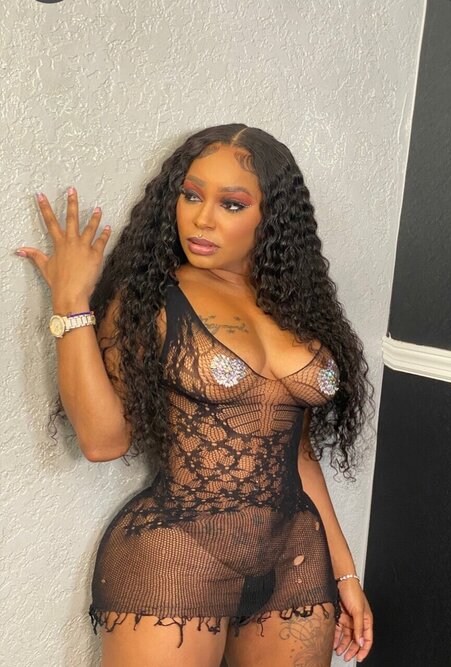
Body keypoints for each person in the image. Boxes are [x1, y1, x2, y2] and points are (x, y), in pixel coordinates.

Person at [17, 123, 374, 666]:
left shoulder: (295, 306)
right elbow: (102, 441)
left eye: (231, 204)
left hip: (296, 559)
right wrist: (70, 300)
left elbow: (298, 455)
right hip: (179, 555)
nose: (202, 219)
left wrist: (345, 574)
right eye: (190, 195)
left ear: (272, 216)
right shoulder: (153, 298)